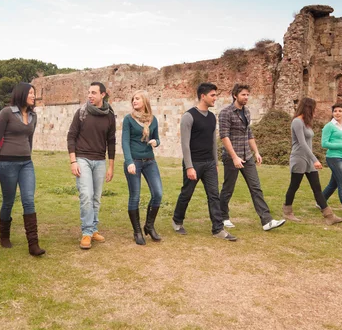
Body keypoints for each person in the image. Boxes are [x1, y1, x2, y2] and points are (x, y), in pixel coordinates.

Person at [172, 82, 237, 241]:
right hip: (194, 163)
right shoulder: (189, 116)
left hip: (209, 163)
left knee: (214, 195)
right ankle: (177, 220)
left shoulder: (212, 117)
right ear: (203, 96)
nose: (215, 98)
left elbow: (214, 142)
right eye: (213, 95)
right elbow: (185, 144)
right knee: (186, 194)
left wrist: (215, 163)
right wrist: (189, 167)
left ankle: (218, 229)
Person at [219, 84, 286, 231]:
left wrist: (256, 152)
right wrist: (235, 157)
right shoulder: (226, 112)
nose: (246, 97)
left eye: (248, 95)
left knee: (256, 187)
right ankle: (222, 217)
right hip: (232, 157)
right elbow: (224, 136)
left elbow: (249, 134)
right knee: (228, 189)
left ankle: (267, 221)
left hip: (247, 156)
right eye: (243, 95)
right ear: (235, 95)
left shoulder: (247, 112)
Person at [0, 82, 45, 256]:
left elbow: (29, 139)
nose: (33, 96)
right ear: (21, 94)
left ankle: (33, 244)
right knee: (8, 201)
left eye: (34, 93)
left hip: (26, 163)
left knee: (28, 200)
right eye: (30, 93)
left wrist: (27, 155)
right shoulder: (6, 113)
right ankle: (4, 235)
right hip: (7, 163)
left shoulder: (33, 116)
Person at [67, 82, 116, 250]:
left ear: (103, 94)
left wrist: (111, 166)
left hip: (100, 160)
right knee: (86, 195)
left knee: (96, 198)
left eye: (94, 92)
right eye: (89, 92)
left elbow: (111, 141)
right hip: (82, 159)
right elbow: (71, 136)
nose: (90, 95)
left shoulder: (109, 114)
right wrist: (73, 161)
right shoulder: (81, 112)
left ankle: (94, 229)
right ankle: (87, 232)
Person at [282, 97, 342, 225]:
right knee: (294, 186)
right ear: (308, 107)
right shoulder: (297, 122)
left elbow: (308, 143)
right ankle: (287, 211)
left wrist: (312, 160)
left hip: (308, 159)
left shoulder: (306, 123)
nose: (314, 111)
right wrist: (315, 159)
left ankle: (329, 216)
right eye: (313, 108)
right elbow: (302, 143)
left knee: (316, 187)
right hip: (299, 158)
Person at [122, 90, 163, 245]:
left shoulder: (153, 120)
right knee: (135, 196)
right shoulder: (128, 119)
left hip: (150, 161)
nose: (134, 101)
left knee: (158, 193)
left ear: (145, 101)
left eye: (137, 98)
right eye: (133, 99)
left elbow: (157, 138)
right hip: (134, 162)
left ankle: (149, 226)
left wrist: (156, 142)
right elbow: (125, 141)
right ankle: (137, 231)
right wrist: (129, 162)